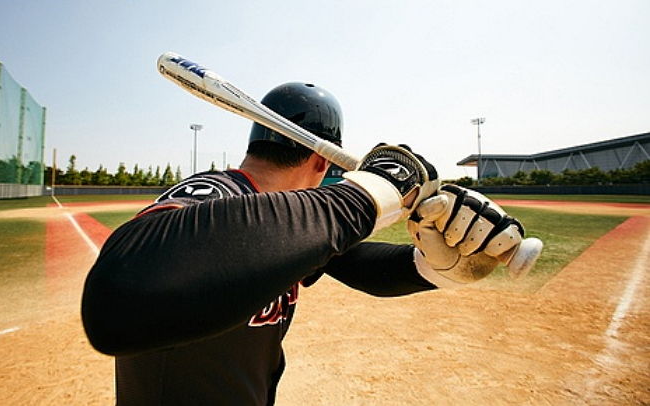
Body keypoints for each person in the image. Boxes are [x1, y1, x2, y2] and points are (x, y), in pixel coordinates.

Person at [81, 82, 526, 405]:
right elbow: (119, 300)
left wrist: (438, 268)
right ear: (322, 160)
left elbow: (357, 263)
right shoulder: (212, 196)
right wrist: (369, 192)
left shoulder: (289, 225)